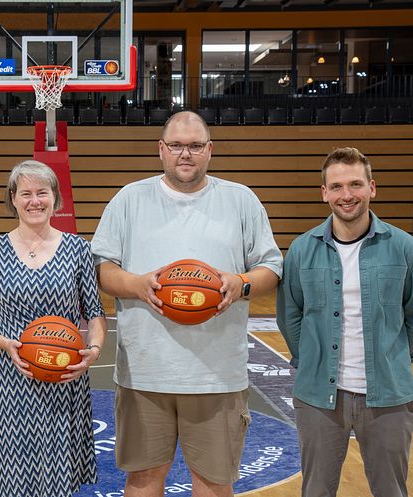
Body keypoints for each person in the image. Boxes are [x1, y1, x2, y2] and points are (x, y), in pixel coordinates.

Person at [91, 111, 283, 497]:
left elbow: (272, 267)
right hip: (144, 372)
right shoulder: (130, 199)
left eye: (195, 146)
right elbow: (101, 268)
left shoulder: (240, 199)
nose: (186, 154)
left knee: (214, 481)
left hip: (217, 374)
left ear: (209, 150)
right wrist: (139, 285)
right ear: (161, 150)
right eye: (177, 145)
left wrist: (240, 283)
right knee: (143, 478)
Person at [277, 147, 413, 497]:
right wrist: (312, 358)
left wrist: (393, 355)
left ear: (372, 187)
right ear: (324, 192)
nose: (347, 195)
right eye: (337, 186)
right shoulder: (301, 250)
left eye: (355, 184)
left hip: (388, 396)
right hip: (319, 398)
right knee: (315, 491)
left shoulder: (403, 247)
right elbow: (290, 315)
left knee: (391, 491)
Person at [0, 160, 107, 497]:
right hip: (10, 377)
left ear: (56, 198)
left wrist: (95, 350)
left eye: (43, 193)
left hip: (62, 374)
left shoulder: (78, 249)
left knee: (57, 479)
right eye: (25, 193)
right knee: (10, 477)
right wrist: (5, 343)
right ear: (12, 198)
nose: (34, 201)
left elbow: (96, 313)